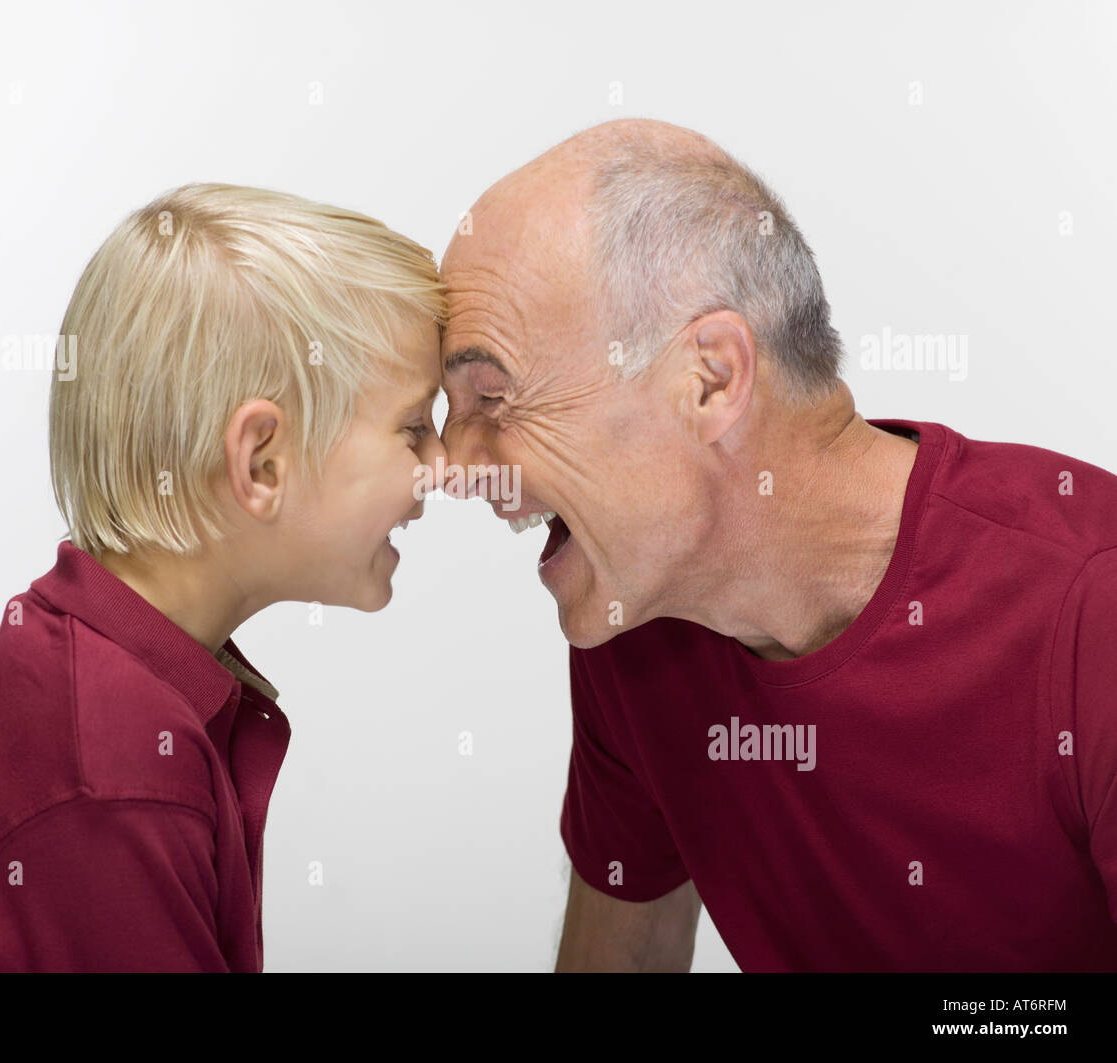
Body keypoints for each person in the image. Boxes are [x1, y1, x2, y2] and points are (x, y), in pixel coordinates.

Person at [439, 118, 1117, 971]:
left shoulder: (1092, 605)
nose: (449, 468)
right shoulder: (636, 622)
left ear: (712, 379)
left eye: (492, 399)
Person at [0, 183, 447, 971]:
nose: (446, 467)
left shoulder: (117, 684)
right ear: (262, 462)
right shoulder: (109, 768)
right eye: (416, 426)